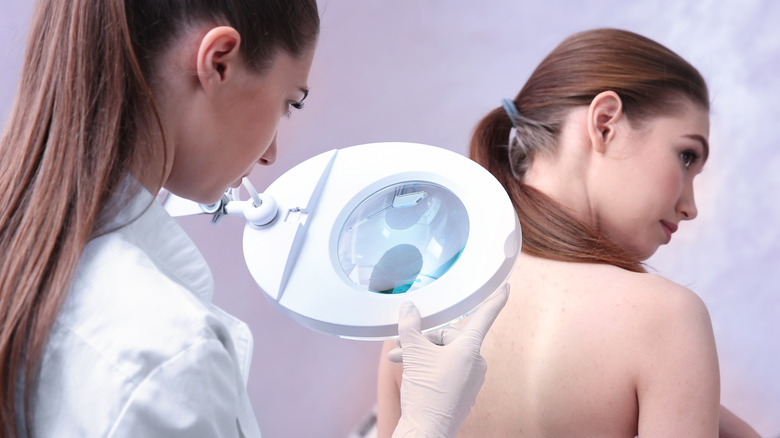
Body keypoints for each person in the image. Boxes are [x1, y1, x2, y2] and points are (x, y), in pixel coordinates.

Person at [0, 0, 508, 436]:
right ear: (219, 62)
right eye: (288, 103)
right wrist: (426, 425)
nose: (270, 153)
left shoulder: (32, 248)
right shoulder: (165, 356)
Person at [377, 28, 760, 437]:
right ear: (605, 122)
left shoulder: (419, 302)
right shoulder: (667, 319)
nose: (691, 206)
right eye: (686, 156)